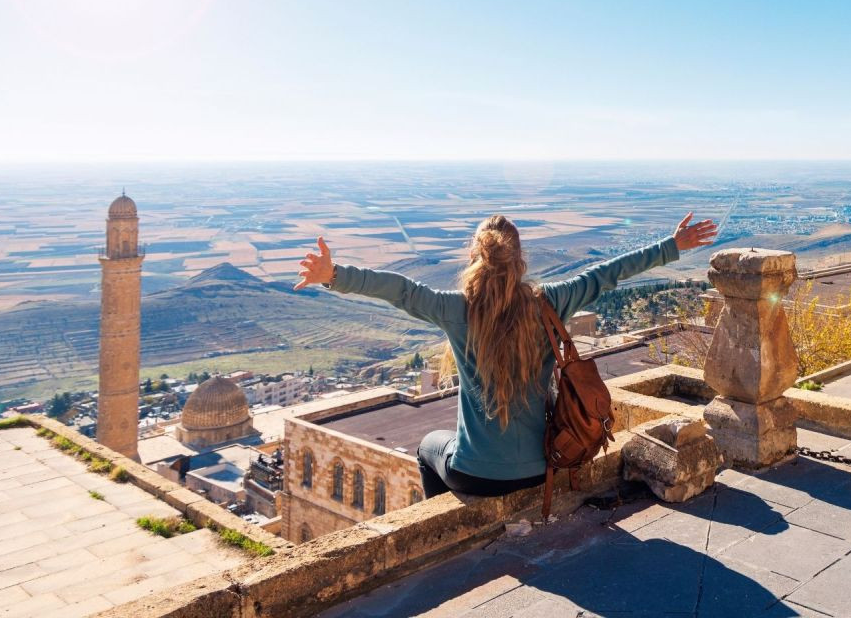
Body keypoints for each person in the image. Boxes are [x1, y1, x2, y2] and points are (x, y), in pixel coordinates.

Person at [294, 212, 718, 499]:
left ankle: (447, 522)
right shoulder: (549, 302)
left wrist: (334, 275)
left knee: (427, 447)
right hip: (542, 468)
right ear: (520, 259)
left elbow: (402, 290)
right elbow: (606, 274)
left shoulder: (456, 309)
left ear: (475, 257)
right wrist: (670, 246)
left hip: (473, 475)